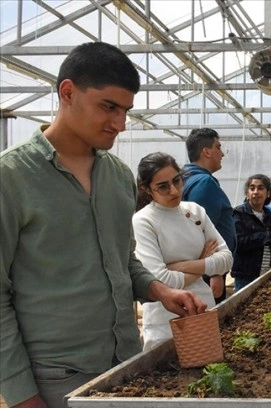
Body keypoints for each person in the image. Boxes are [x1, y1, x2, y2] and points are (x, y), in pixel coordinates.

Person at [0, 42, 206, 408]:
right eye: (108, 107)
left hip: (125, 364)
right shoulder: (11, 178)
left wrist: (160, 291)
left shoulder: (117, 177)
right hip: (54, 376)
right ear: (68, 92)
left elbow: (123, 260)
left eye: (125, 110)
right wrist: (20, 394)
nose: (120, 123)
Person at [133, 152, 233, 350]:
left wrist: (184, 266)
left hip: (204, 310)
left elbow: (226, 260)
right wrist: (203, 263)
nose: (174, 190)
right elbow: (161, 281)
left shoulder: (195, 211)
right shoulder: (144, 221)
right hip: (166, 321)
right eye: (163, 186)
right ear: (147, 189)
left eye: (177, 181)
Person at [181, 127, 235, 304]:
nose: (222, 154)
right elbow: (200, 230)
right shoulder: (203, 182)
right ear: (206, 152)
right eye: (218, 147)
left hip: (197, 269)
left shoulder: (185, 178)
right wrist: (215, 272)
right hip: (205, 273)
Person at [231, 174, 271, 291]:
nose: (256, 192)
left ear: (268, 193)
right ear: (247, 193)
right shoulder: (238, 214)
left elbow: (269, 246)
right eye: (252, 188)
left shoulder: (269, 215)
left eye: (260, 188)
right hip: (246, 276)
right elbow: (239, 243)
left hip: (266, 273)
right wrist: (268, 235)